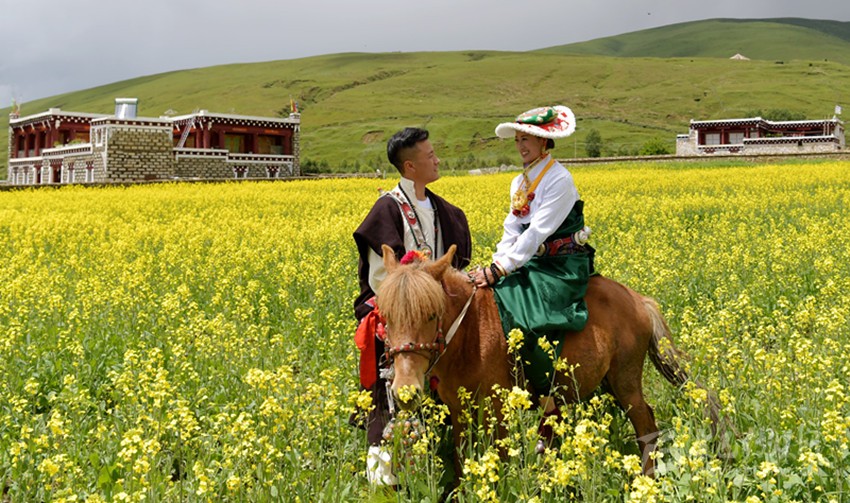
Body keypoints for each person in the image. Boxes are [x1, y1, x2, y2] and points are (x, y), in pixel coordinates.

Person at [470, 105, 595, 447]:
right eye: (518, 139)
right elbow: (512, 228)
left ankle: (551, 406)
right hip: (530, 263)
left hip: (561, 266)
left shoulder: (559, 179)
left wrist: (501, 269)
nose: (521, 145)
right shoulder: (520, 181)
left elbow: (538, 231)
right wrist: (495, 263)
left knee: (530, 319)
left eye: (528, 139)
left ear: (544, 143)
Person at [352, 127, 472, 485]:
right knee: (387, 396)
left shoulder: (445, 210)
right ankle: (384, 479)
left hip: (436, 318)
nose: (437, 160)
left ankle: (442, 465)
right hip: (399, 317)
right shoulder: (387, 209)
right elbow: (381, 279)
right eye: (430, 155)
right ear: (410, 166)